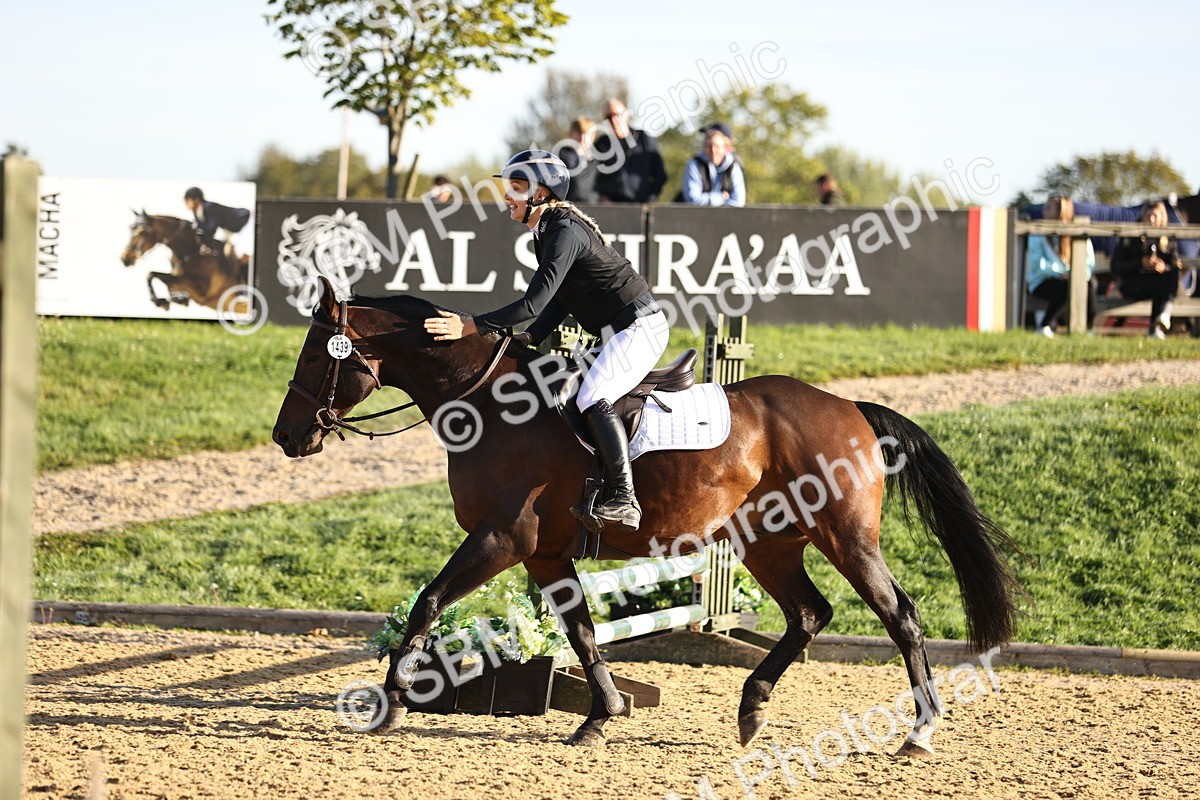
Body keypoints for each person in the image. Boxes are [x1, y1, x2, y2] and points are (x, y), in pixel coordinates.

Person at [424, 150, 667, 532]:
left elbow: (532, 302)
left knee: (590, 396)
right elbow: (560, 298)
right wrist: (531, 336)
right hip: (616, 331)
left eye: (516, 189)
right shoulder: (548, 229)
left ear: (541, 194)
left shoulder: (564, 230)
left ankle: (623, 498)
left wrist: (471, 326)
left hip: (638, 329)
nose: (507, 196)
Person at [1025, 195, 1096, 337]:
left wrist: (1076, 274)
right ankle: (1044, 325)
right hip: (1042, 281)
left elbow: (1089, 263)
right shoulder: (1037, 234)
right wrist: (1061, 273)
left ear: (1061, 213)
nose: (1043, 212)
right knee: (1066, 288)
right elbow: (1037, 266)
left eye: (1048, 209)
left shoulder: (1077, 233)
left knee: (1088, 285)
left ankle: (1087, 328)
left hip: (1071, 278)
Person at [1110, 200, 1183, 339]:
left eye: (1155, 216)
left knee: (1171, 275)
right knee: (1162, 286)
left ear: (1162, 217)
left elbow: (1175, 265)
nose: (1151, 220)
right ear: (1142, 216)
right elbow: (1116, 268)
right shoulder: (1131, 235)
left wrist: (1163, 267)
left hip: (1159, 284)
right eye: (1148, 216)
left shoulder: (1167, 238)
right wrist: (1140, 263)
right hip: (1133, 283)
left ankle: (1161, 318)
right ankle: (1157, 325)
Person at [592, 99, 667, 204]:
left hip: (641, 207)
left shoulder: (644, 139)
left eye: (616, 115)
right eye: (608, 117)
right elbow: (591, 177)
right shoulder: (601, 145)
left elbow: (660, 174)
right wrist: (601, 196)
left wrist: (652, 196)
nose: (613, 120)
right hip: (610, 209)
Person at [680, 124, 746, 207]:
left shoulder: (734, 166)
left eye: (717, 146)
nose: (713, 151)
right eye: (709, 146)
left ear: (725, 147)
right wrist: (721, 197)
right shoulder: (695, 164)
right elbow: (693, 199)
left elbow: (738, 202)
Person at [183, 187, 250, 264]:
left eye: (188, 200)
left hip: (245, 222)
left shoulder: (209, 207)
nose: (186, 203)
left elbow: (211, 228)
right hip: (231, 229)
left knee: (241, 255)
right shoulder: (196, 212)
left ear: (196, 200)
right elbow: (200, 228)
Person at [558, 117, 599, 204]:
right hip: (567, 206)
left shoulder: (597, 159)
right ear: (571, 134)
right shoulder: (560, 158)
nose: (582, 137)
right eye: (579, 133)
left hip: (593, 207)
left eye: (586, 134)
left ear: (593, 137)